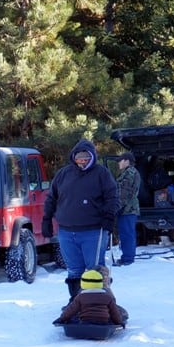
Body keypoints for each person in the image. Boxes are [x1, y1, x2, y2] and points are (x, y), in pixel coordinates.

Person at [42, 139, 120, 305]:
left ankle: (98, 302)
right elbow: (51, 198)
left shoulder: (102, 173)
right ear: (74, 158)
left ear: (92, 157)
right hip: (66, 231)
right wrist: (46, 219)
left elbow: (112, 197)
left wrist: (109, 218)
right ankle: (76, 302)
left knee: (94, 269)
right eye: (79, 158)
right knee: (74, 270)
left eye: (86, 158)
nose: (83, 161)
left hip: (93, 231)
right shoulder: (64, 174)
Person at [52, 268, 126, 327]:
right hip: (103, 322)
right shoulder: (107, 296)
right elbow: (114, 312)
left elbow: (71, 310)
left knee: (73, 317)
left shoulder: (81, 296)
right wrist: (119, 322)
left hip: (85, 321)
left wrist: (62, 319)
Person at [114, 151, 141, 266]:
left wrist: (117, 207)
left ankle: (127, 259)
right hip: (127, 209)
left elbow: (124, 192)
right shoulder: (128, 172)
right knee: (126, 233)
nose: (119, 163)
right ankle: (127, 257)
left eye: (120, 161)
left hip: (127, 209)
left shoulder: (129, 173)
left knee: (127, 234)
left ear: (126, 161)